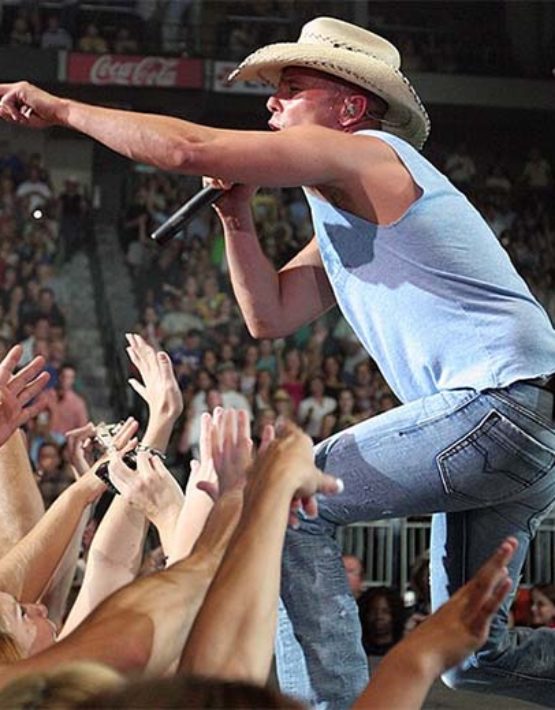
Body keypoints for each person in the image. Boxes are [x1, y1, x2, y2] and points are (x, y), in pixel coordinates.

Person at [0, 15, 554, 708]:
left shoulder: (370, 153)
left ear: (349, 108)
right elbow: (269, 317)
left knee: (289, 502)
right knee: (472, 656)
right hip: (519, 421)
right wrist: (236, 218)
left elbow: (187, 148)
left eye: (292, 88)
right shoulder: (352, 211)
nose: (271, 102)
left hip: (496, 405)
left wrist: (60, 108)